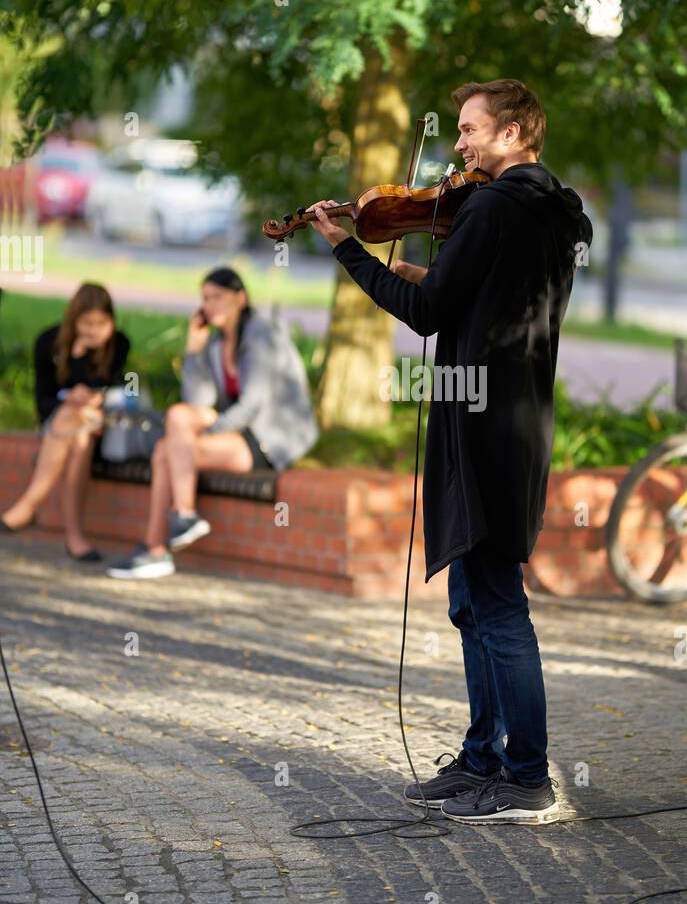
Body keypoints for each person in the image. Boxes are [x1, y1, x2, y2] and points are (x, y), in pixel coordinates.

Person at [308, 78, 592, 825]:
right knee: (473, 601)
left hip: (482, 425)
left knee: (496, 604)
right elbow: (480, 298)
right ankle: (482, 759)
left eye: (469, 130)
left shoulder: (493, 206)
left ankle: (526, 776)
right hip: (515, 417)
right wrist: (416, 269)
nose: (458, 145)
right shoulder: (552, 209)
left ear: (513, 133)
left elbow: (430, 316)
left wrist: (348, 250)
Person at [107, 266, 318, 580]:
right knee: (175, 427)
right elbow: (197, 402)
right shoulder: (218, 344)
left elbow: (251, 405)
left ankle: (159, 544)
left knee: (169, 450)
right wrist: (193, 350)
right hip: (237, 431)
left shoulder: (263, 334)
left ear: (241, 298)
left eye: (218, 296)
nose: (210, 305)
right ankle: (179, 522)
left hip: (269, 436)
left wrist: (203, 434)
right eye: (205, 298)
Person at [1, 282, 130, 561]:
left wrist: (97, 395)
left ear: (112, 321)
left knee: (80, 422)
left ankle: (29, 504)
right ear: (73, 320)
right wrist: (71, 386)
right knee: (77, 430)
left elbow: (128, 388)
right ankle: (75, 538)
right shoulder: (48, 342)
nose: (94, 330)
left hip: (103, 423)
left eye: (101, 323)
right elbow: (42, 402)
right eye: (86, 323)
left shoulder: (119, 343)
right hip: (62, 425)